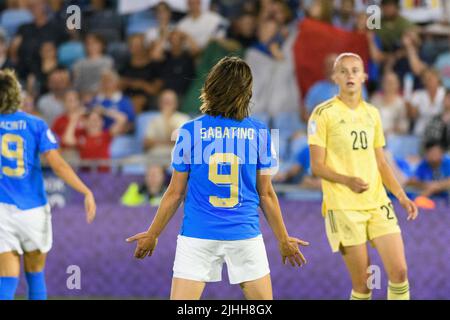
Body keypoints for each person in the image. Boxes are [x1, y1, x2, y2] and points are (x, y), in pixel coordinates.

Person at [127, 56, 308, 300]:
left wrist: (153, 234)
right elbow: (265, 194)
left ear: (211, 86)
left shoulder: (189, 131)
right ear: (246, 92)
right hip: (244, 233)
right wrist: (283, 239)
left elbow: (175, 193)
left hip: (197, 234)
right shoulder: (259, 132)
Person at [308, 53, 418, 300]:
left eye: (355, 70)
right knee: (364, 285)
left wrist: (400, 195)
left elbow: (381, 161)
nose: (350, 76)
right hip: (344, 207)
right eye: (344, 71)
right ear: (335, 77)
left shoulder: (372, 114)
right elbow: (317, 166)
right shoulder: (322, 114)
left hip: (378, 204)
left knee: (399, 272)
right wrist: (347, 180)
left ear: (364, 77)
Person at [0, 69, 96, 300]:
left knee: (6, 278)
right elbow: (58, 165)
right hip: (32, 209)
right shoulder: (35, 124)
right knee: (35, 274)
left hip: (1, 210)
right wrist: (86, 191)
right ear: (17, 94)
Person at [143, 89, 190, 162]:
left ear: (176, 103)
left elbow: (179, 142)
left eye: (170, 101)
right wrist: (166, 143)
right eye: (165, 101)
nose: (167, 103)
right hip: (156, 154)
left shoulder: (183, 119)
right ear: (160, 103)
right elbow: (147, 144)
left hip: (176, 155)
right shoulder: (154, 120)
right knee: (153, 165)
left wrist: (167, 119)